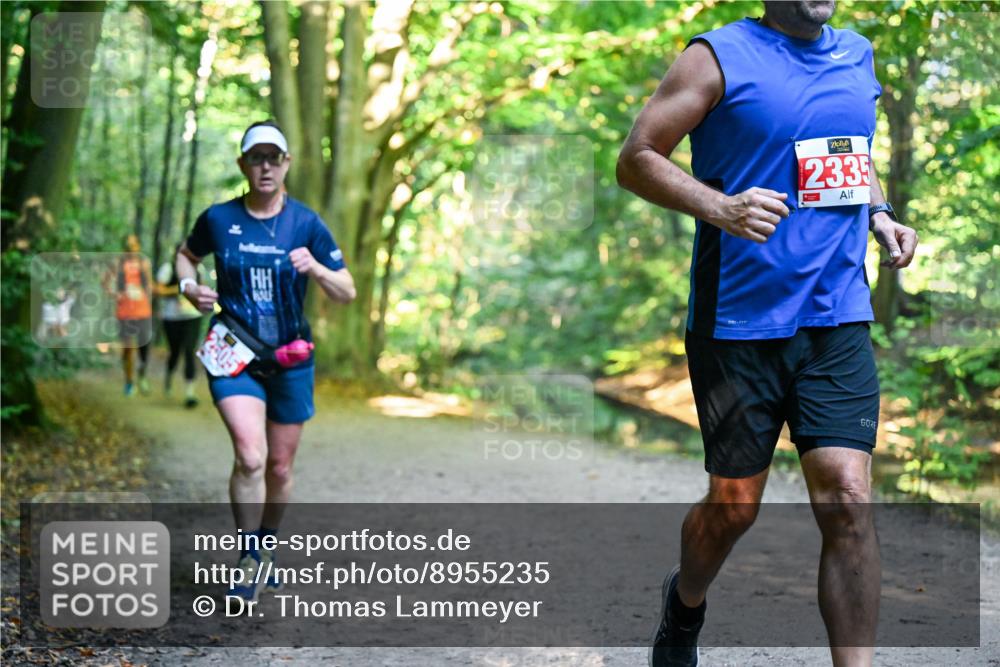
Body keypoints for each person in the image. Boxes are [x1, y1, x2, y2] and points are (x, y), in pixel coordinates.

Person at [616, 2, 918, 666]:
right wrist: (719, 206)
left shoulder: (857, 55)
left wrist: (880, 214)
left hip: (835, 312)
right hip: (738, 321)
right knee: (733, 507)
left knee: (846, 495)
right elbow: (636, 158)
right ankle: (685, 604)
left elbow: (849, 151)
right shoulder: (715, 56)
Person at [176, 120, 356, 601]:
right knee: (250, 456)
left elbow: (347, 291)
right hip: (232, 352)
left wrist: (316, 267)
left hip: (291, 357)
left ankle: (268, 547)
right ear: (243, 165)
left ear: (286, 164)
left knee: (278, 467)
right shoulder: (218, 218)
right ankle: (247, 556)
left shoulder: (306, 223)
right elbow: (186, 256)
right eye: (256, 158)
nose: (265, 167)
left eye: (273, 158)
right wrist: (189, 287)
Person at [154, 243, 204, 407]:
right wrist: (179, 289)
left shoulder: (199, 269)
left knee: (189, 351)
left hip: (192, 316)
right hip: (172, 318)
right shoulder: (168, 269)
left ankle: (190, 393)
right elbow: (158, 291)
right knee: (175, 352)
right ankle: (169, 377)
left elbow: (201, 289)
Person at [116, 234, 154, 396]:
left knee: (143, 347)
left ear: (138, 247)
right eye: (127, 246)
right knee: (128, 349)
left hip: (143, 311)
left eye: (133, 246)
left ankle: (142, 377)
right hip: (125, 311)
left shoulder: (144, 263)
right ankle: (129, 381)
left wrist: (146, 293)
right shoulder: (119, 264)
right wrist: (117, 294)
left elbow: (150, 286)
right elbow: (108, 283)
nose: (130, 250)